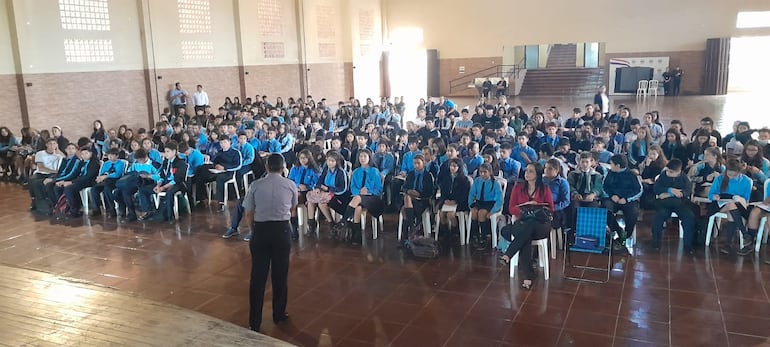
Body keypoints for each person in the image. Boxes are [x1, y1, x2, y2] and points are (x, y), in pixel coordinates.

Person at [242, 154, 296, 332]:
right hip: (281, 231)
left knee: (257, 277)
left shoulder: (256, 185)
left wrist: (253, 230)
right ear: (283, 168)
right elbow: (292, 208)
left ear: (266, 167)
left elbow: (249, 212)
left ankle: (254, 321)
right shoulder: (290, 185)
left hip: (261, 231)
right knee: (280, 274)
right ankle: (279, 314)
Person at [499, 162, 554, 289]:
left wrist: (536, 208)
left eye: (531, 171)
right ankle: (528, 275)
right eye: (526, 170)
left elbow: (551, 209)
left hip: (540, 225)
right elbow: (511, 208)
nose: (527, 173)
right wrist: (525, 210)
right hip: (522, 222)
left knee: (528, 226)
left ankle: (509, 254)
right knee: (523, 233)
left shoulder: (544, 188)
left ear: (537, 175)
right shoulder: (518, 187)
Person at [708, 158, 754, 255]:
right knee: (731, 206)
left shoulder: (746, 181)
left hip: (738, 205)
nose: (731, 177)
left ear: (739, 172)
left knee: (732, 210)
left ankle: (728, 243)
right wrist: (715, 196)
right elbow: (710, 195)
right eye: (729, 175)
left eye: (734, 175)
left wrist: (738, 199)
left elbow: (746, 199)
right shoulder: (720, 178)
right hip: (720, 204)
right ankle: (745, 234)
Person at [649, 159, 695, 253]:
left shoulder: (684, 178)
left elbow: (687, 191)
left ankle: (688, 245)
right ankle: (655, 242)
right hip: (664, 204)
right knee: (658, 217)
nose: (668, 173)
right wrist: (669, 189)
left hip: (680, 203)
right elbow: (656, 189)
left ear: (678, 172)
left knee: (689, 217)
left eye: (671, 172)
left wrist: (669, 193)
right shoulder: (663, 176)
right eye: (667, 171)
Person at [341, 149, 384, 244]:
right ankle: (356, 234)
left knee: (357, 198)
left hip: (372, 198)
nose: (362, 158)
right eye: (360, 156)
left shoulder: (374, 171)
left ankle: (343, 221)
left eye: (365, 156)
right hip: (358, 198)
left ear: (369, 158)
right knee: (358, 207)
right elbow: (352, 188)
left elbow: (379, 189)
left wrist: (368, 191)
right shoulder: (356, 172)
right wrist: (359, 192)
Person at [603, 155, 643, 251]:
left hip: (628, 200)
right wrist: (611, 195)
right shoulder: (610, 173)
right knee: (605, 209)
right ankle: (618, 230)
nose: (610, 166)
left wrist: (627, 199)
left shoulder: (632, 175)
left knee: (633, 213)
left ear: (618, 165)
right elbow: (605, 187)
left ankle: (624, 237)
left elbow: (639, 190)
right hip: (613, 199)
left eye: (612, 164)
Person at [467, 163, 504, 249]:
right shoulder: (477, 181)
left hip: (490, 203)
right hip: (480, 202)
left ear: (490, 172)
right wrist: (471, 205)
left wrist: (493, 211)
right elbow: (471, 194)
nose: (482, 174)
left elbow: (499, 199)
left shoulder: (495, 183)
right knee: (475, 212)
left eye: (485, 172)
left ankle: (484, 237)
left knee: (482, 213)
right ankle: (475, 235)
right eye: (480, 172)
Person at [401, 154, 436, 238]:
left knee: (404, 210)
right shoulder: (411, 174)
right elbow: (404, 187)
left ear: (423, 163)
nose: (416, 165)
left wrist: (419, 194)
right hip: (411, 198)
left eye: (418, 163)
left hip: (422, 200)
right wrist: (409, 191)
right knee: (407, 197)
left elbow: (430, 192)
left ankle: (406, 232)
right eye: (414, 163)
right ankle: (413, 227)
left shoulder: (428, 176)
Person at [61, 147, 100, 217]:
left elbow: (88, 176)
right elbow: (75, 173)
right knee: (60, 187)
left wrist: (72, 182)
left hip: (88, 181)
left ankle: (75, 210)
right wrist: (65, 181)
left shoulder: (94, 163)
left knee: (69, 188)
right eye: (82, 154)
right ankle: (63, 209)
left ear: (90, 154)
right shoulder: (81, 162)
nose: (84, 155)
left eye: (86, 153)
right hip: (79, 180)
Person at [437, 158, 471, 237]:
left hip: (459, 203)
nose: (452, 168)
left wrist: (455, 201)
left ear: (459, 167)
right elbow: (443, 191)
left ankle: (455, 231)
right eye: (451, 166)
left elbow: (464, 194)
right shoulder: (446, 178)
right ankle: (445, 232)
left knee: (450, 215)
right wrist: (445, 200)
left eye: (454, 166)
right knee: (442, 214)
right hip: (447, 202)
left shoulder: (464, 180)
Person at [28, 139, 64, 212]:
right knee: (31, 180)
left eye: (54, 144)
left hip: (53, 174)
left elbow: (65, 159)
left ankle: (43, 203)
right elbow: (41, 167)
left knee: (38, 183)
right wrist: (54, 171)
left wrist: (58, 151)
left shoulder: (58, 155)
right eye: (50, 144)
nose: (52, 146)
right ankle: (34, 200)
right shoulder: (40, 153)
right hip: (42, 172)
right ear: (46, 145)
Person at [89, 148, 126, 217]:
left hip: (114, 180)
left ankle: (112, 209)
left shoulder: (121, 163)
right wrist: (99, 178)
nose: (110, 157)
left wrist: (106, 176)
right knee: (93, 189)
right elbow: (101, 172)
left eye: (112, 155)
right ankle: (96, 209)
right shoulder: (106, 163)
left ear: (117, 156)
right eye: (109, 156)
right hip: (104, 180)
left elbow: (117, 174)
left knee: (107, 189)